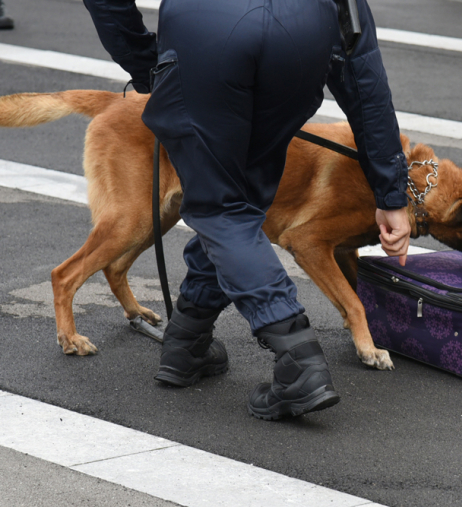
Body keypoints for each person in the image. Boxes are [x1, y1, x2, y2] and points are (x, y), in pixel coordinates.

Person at [82, 0, 411, 420]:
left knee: (220, 206)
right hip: (305, 31)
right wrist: (390, 193)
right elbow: (361, 66)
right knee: (247, 191)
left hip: (204, 24)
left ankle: (299, 364)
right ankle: (188, 342)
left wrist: (147, 64)